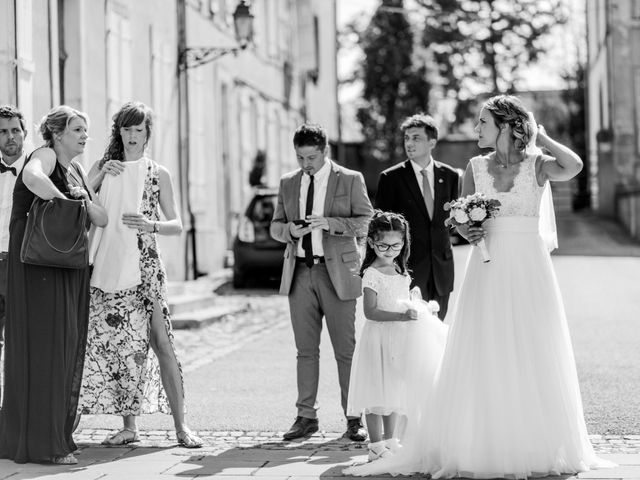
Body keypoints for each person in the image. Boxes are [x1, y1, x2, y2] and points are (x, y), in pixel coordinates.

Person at [344, 95, 615, 478]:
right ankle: (482, 439)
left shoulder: (537, 165)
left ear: (506, 125)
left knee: (532, 344)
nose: (476, 130)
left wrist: (541, 136)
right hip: (487, 266)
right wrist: (464, 227)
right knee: (485, 344)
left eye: (483, 122)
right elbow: (455, 219)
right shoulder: (474, 167)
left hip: (529, 268)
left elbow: (574, 166)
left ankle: (533, 441)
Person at [78, 101, 202, 448]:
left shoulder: (157, 172)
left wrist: (152, 225)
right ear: (119, 131)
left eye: (139, 130)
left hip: (146, 266)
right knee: (120, 348)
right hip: (106, 264)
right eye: (127, 129)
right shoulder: (104, 167)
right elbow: (80, 201)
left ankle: (182, 426)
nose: (132, 136)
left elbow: (177, 224)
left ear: (148, 133)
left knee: (162, 344)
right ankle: (129, 427)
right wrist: (101, 174)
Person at [0, 105, 108, 465]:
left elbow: (101, 217)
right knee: (46, 349)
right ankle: (43, 444)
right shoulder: (44, 155)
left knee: (63, 347)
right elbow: (31, 178)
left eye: (85, 129)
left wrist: (84, 200)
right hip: (38, 266)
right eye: (77, 129)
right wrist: (65, 202)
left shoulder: (76, 168)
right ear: (58, 133)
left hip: (66, 264)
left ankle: (54, 435)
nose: (84, 135)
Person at [270, 123, 373, 441]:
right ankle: (306, 417)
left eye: (311, 157)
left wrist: (331, 223)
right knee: (305, 351)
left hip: (338, 274)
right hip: (300, 272)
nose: (306, 164)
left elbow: (366, 221)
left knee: (346, 350)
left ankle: (354, 417)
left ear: (325, 151)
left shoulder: (351, 179)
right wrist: (290, 231)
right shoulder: (288, 183)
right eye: (300, 157)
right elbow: (275, 225)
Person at [346, 211, 446, 462]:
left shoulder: (400, 269)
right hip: (379, 338)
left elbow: (400, 299)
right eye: (383, 245)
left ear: (404, 243)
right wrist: (401, 317)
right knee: (375, 392)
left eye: (396, 245)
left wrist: (416, 304)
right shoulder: (371, 273)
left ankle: (391, 440)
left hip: (399, 338)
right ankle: (376, 444)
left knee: (393, 390)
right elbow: (371, 311)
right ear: (371, 243)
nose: (390, 250)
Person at [375, 115, 460, 320]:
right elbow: (381, 228)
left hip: (441, 270)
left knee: (437, 331)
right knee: (411, 332)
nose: (409, 143)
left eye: (416, 138)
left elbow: (454, 220)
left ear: (432, 142)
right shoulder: (390, 178)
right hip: (407, 270)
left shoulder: (450, 176)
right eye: (406, 138)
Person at [0, 105, 29, 404]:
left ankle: (16, 411)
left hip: (21, 265)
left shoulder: (38, 169)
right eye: (3, 131)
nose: (10, 137)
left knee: (19, 343)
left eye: (15, 130)